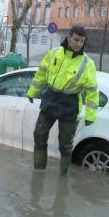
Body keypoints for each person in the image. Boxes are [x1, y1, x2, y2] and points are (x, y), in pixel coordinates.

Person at [26, 25, 98, 175]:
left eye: (82, 41)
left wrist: (91, 114)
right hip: (50, 99)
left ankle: (63, 177)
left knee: (65, 145)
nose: (79, 43)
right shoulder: (53, 54)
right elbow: (41, 75)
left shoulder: (87, 63)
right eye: (76, 40)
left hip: (70, 105)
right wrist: (33, 92)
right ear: (68, 37)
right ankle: (39, 172)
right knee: (39, 136)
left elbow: (92, 91)